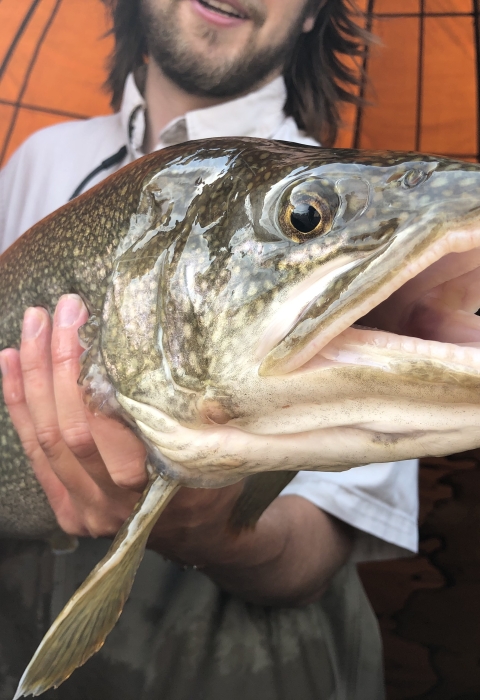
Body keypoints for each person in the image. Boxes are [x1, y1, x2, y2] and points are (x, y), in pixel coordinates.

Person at [0, 1, 419, 698]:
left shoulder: (359, 228)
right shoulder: (40, 161)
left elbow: (322, 548)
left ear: (315, 13)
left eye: (302, 219)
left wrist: (209, 528)